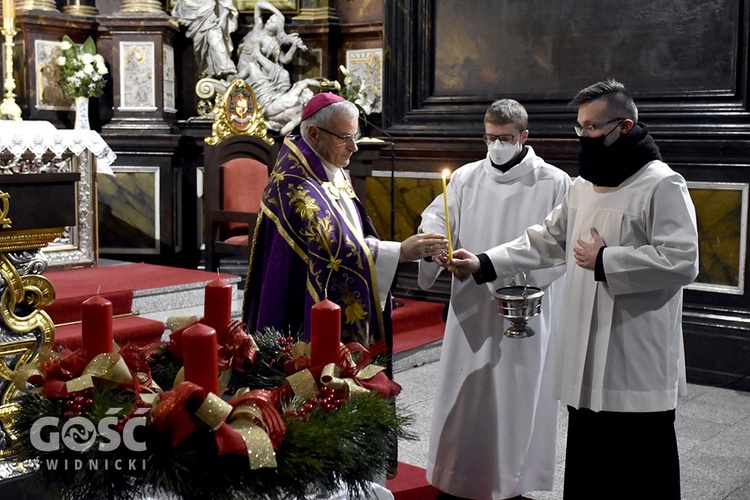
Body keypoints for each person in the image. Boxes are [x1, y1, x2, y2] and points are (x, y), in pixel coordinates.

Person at [442, 79, 699, 499]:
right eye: (579, 127)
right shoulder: (584, 185)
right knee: (589, 464)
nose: (584, 136)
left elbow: (683, 259)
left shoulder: (662, 183)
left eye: (593, 128)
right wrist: (485, 262)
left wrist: (606, 260)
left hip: (633, 350)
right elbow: (545, 239)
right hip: (586, 348)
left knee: (641, 467)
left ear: (626, 127)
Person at [419, 99, 571, 500]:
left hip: (524, 306)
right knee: (465, 394)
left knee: (516, 395)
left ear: (524, 136)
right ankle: (457, 476)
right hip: (471, 301)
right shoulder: (467, 177)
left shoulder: (554, 181)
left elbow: (558, 247)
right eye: (489, 138)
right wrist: (437, 244)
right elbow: (437, 216)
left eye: (505, 139)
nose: (496, 146)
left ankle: (511, 481)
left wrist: (500, 269)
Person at [242, 92, 448, 366]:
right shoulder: (295, 184)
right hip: (299, 306)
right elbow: (330, 250)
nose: (354, 147)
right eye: (345, 137)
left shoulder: (328, 167)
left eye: (355, 136)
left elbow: (352, 232)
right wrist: (399, 252)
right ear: (314, 134)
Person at [171, 0, 238, 78]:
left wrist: (222, 18)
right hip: (195, 17)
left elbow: (226, 3)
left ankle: (228, 69)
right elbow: (179, 9)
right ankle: (208, 69)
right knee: (201, 47)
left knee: (215, 40)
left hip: (211, 17)